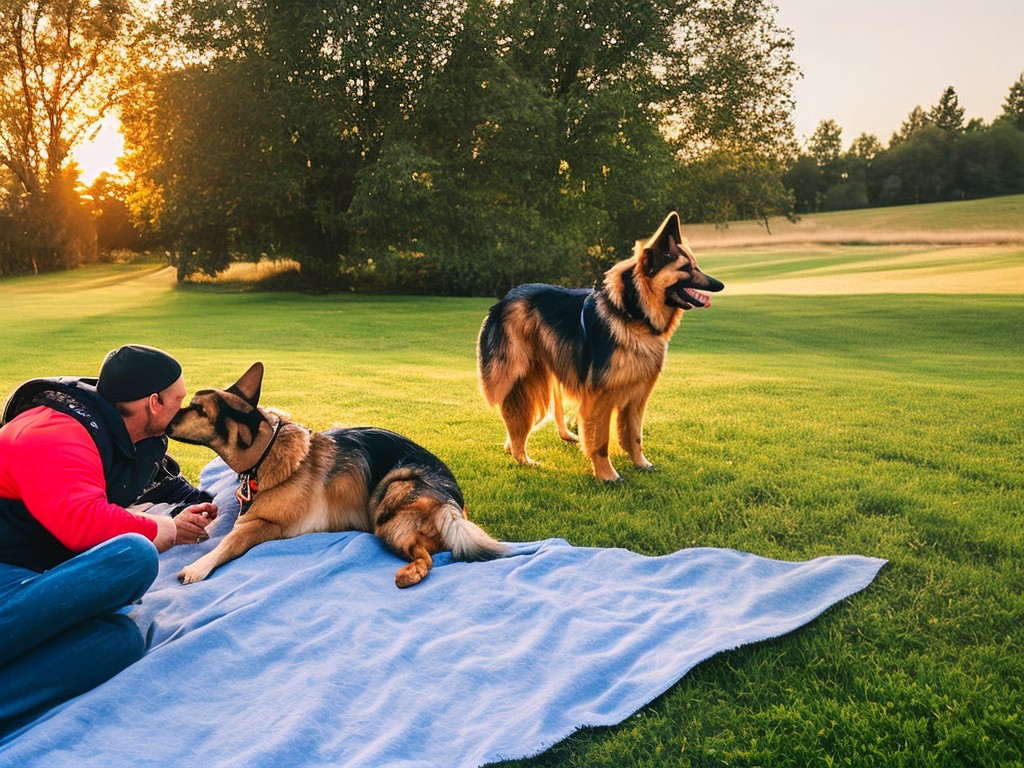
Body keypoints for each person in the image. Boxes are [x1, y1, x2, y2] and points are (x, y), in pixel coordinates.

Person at [0, 344, 219, 735]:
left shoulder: (124, 438)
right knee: (135, 555)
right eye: (180, 400)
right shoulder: (54, 431)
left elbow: (155, 486)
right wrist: (162, 531)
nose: (182, 409)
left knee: (120, 642)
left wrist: (193, 511)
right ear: (155, 403)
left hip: (26, 573)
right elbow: (81, 521)